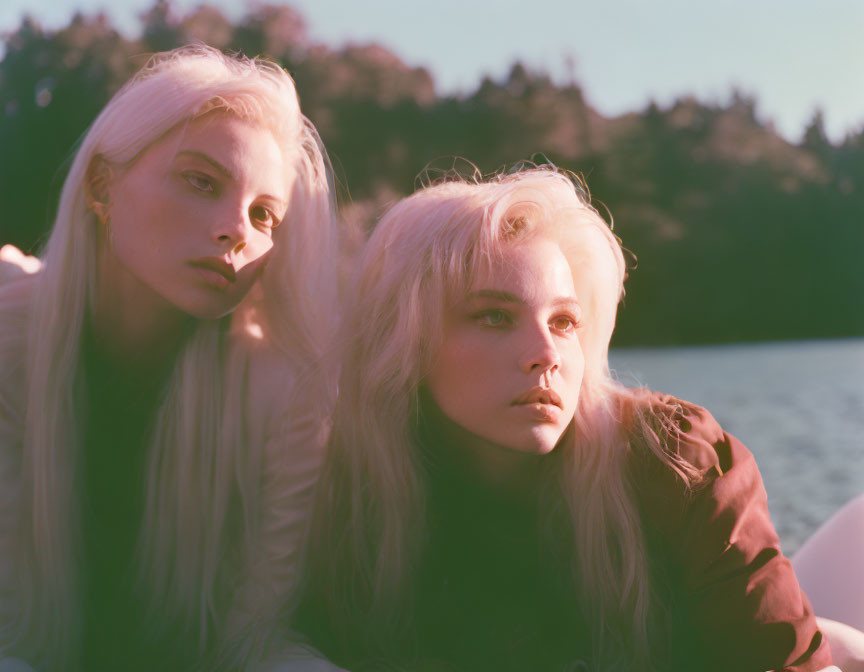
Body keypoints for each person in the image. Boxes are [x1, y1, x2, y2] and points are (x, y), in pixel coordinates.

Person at [293, 167, 835, 672]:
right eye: (494, 316)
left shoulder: (677, 463)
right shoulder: (344, 492)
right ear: (404, 343)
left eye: (565, 321)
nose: (545, 353)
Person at [0, 45, 337, 671]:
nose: (238, 230)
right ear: (103, 184)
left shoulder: (284, 394)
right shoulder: (8, 340)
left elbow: (256, 641)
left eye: (265, 214)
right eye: (201, 181)